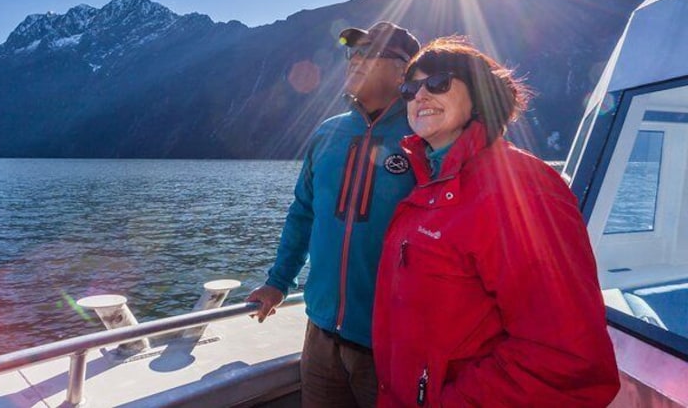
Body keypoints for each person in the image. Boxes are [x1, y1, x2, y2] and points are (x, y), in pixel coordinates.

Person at [372, 36, 620, 407]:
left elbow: (566, 358)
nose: (419, 96)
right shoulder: (428, 188)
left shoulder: (523, 190)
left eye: (437, 83)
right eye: (409, 89)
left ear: (481, 96)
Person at [247, 21, 421, 407]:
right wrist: (278, 282)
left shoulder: (425, 137)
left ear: (403, 70)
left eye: (369, 54)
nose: (355, 60)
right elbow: (303, 214)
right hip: (321, 335)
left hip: (392, 344)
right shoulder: (328, 134)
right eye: (352, 53)